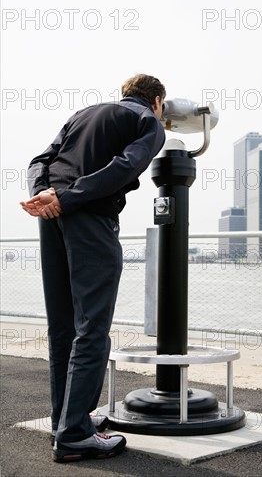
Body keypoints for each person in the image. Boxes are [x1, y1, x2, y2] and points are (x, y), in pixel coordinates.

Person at [20, 74, 166, 463]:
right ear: (156, 101)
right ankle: (75, 436)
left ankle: (64, 421)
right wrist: (68, 198)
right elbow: (125, 167)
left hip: (50, 216)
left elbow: (41, 160)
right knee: (92, 329)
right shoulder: (148, 121)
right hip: (86, 217)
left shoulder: (82, 113)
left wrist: (44, 194)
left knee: (64, 327)